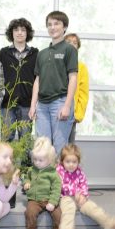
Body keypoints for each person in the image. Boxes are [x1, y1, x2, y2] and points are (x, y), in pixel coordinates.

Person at [56, 144, 115, 229]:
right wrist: (74, 193)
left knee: (94, 209)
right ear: (62, 161)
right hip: (65, 198)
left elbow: (84, 185)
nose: (71, 165)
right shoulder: (59, 171)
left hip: (79, 198)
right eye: (68, 161)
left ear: (78, 162)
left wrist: (83, 195)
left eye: (74, 162)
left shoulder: (79, 172)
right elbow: (59, 185)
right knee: (68, 211)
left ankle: (113, 223)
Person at [29, 11, 78, 155]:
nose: (52, 27)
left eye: (56, 23)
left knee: (59, 149)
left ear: (65, 27)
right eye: (49, 24)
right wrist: (33, 105)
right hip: (42, 106)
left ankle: (58, 178)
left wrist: (67, 106)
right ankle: (45, 178)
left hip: (60, 102)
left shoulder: (69, 50)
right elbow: (37, 80)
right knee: (43, 149)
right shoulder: (42, 53)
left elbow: (73, 78)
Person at [0, 18, 38, 141]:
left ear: (28, 33)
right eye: (16, 30)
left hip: (27, 104)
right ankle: (5, 161)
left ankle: (26, 162)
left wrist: (34, 104)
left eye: (23, 30)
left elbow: (38, 79)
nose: (19, 33)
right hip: (7, 104)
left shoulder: (35, 53)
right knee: (6, 138)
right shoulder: (3, 53)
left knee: (25, 140)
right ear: (11, 33)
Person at [23, 136, 62, 229]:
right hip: (34, 200)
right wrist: (26, 183)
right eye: (35, 160)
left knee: (58, 214)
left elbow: (56, 188)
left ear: (49, 160)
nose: (37, 163)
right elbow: (26, 177)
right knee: (30, 212)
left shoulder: (53, 173)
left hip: (49, 199)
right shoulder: (32, 170)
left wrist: (53, 202)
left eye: (41, 160)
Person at [64, 33, 89, 142]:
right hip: (54, 111)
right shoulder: (56, 63)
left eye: (75, 43)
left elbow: (84, 93)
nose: (71, 45)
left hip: (71, 114)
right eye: (68, 42)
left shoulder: (81, 67)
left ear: (78, 47)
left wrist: (77, 114)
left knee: (69, 148)